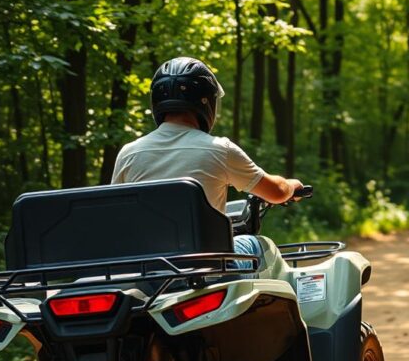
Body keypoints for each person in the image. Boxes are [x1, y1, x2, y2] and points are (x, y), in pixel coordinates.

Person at [110, 57, 303, 269]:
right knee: (260, 245)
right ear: (206, 102)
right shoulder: (219, 149)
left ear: (156, 102)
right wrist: (291, 185)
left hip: (146, 270)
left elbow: (118, 216)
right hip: (207, 267)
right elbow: (276, 192)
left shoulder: (128, 153)